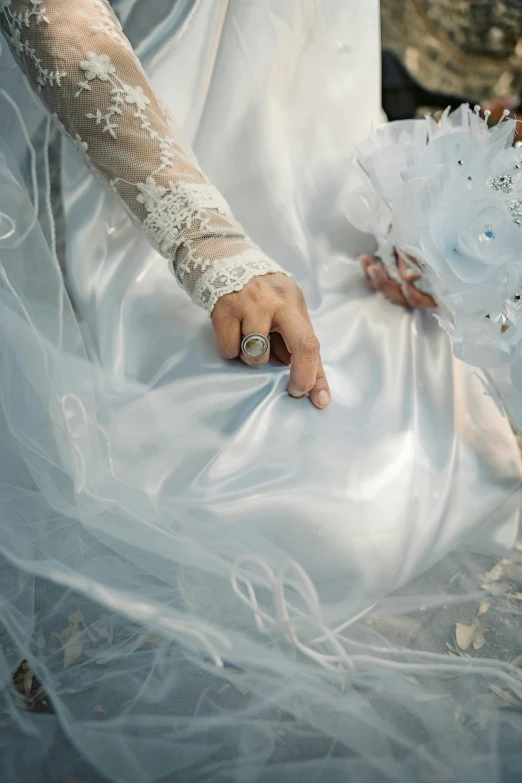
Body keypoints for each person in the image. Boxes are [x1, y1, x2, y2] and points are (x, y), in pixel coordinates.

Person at [0, 2, 521, 782]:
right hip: (138, 200)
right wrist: (211, 250)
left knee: (479, 456)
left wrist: (444, 202)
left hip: (338, 188)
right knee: (303, 510)